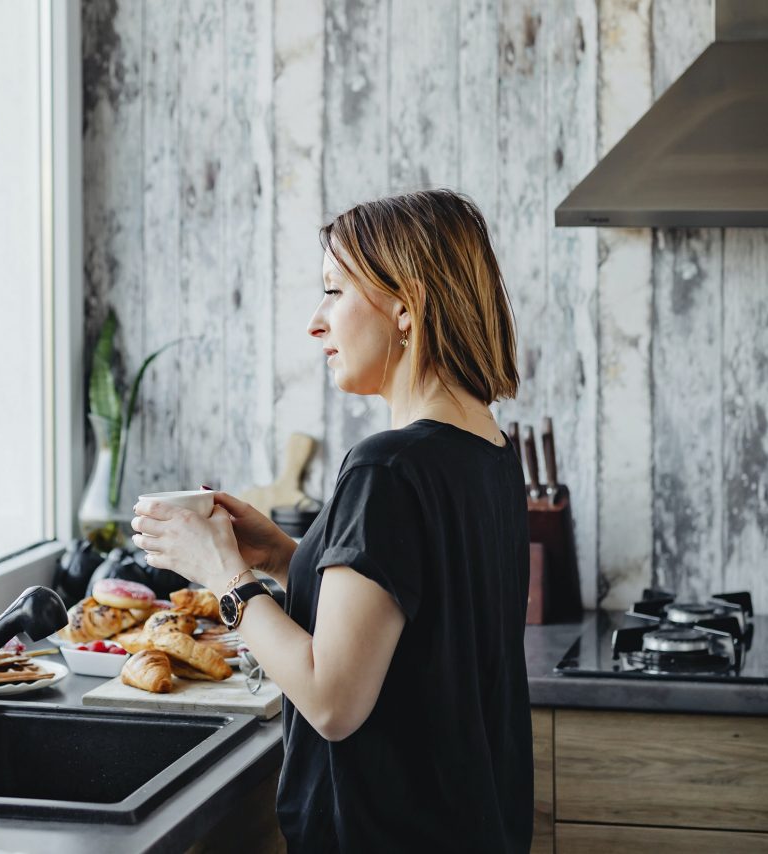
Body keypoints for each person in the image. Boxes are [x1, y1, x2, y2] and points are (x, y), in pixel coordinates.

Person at [131, 189, 532, 853]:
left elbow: (332, 701)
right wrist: (291, 558)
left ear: (406, 305)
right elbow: (418, 617)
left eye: (335, 292)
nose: (316, 323)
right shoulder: (485, 449)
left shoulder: (388, 469)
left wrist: (221, 573)